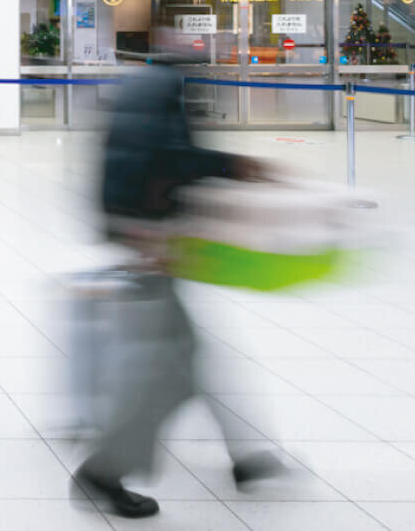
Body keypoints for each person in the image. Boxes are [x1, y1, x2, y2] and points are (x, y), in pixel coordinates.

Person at [72, 57, 282, 518]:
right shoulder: (165, 91)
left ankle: (245, 457)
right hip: (148, 240)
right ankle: (104, 470)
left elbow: (137, 159)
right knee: (166, 366)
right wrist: (237, 166)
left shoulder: (144, 85)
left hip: (141, 234)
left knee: (187, 353)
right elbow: (168, 158)